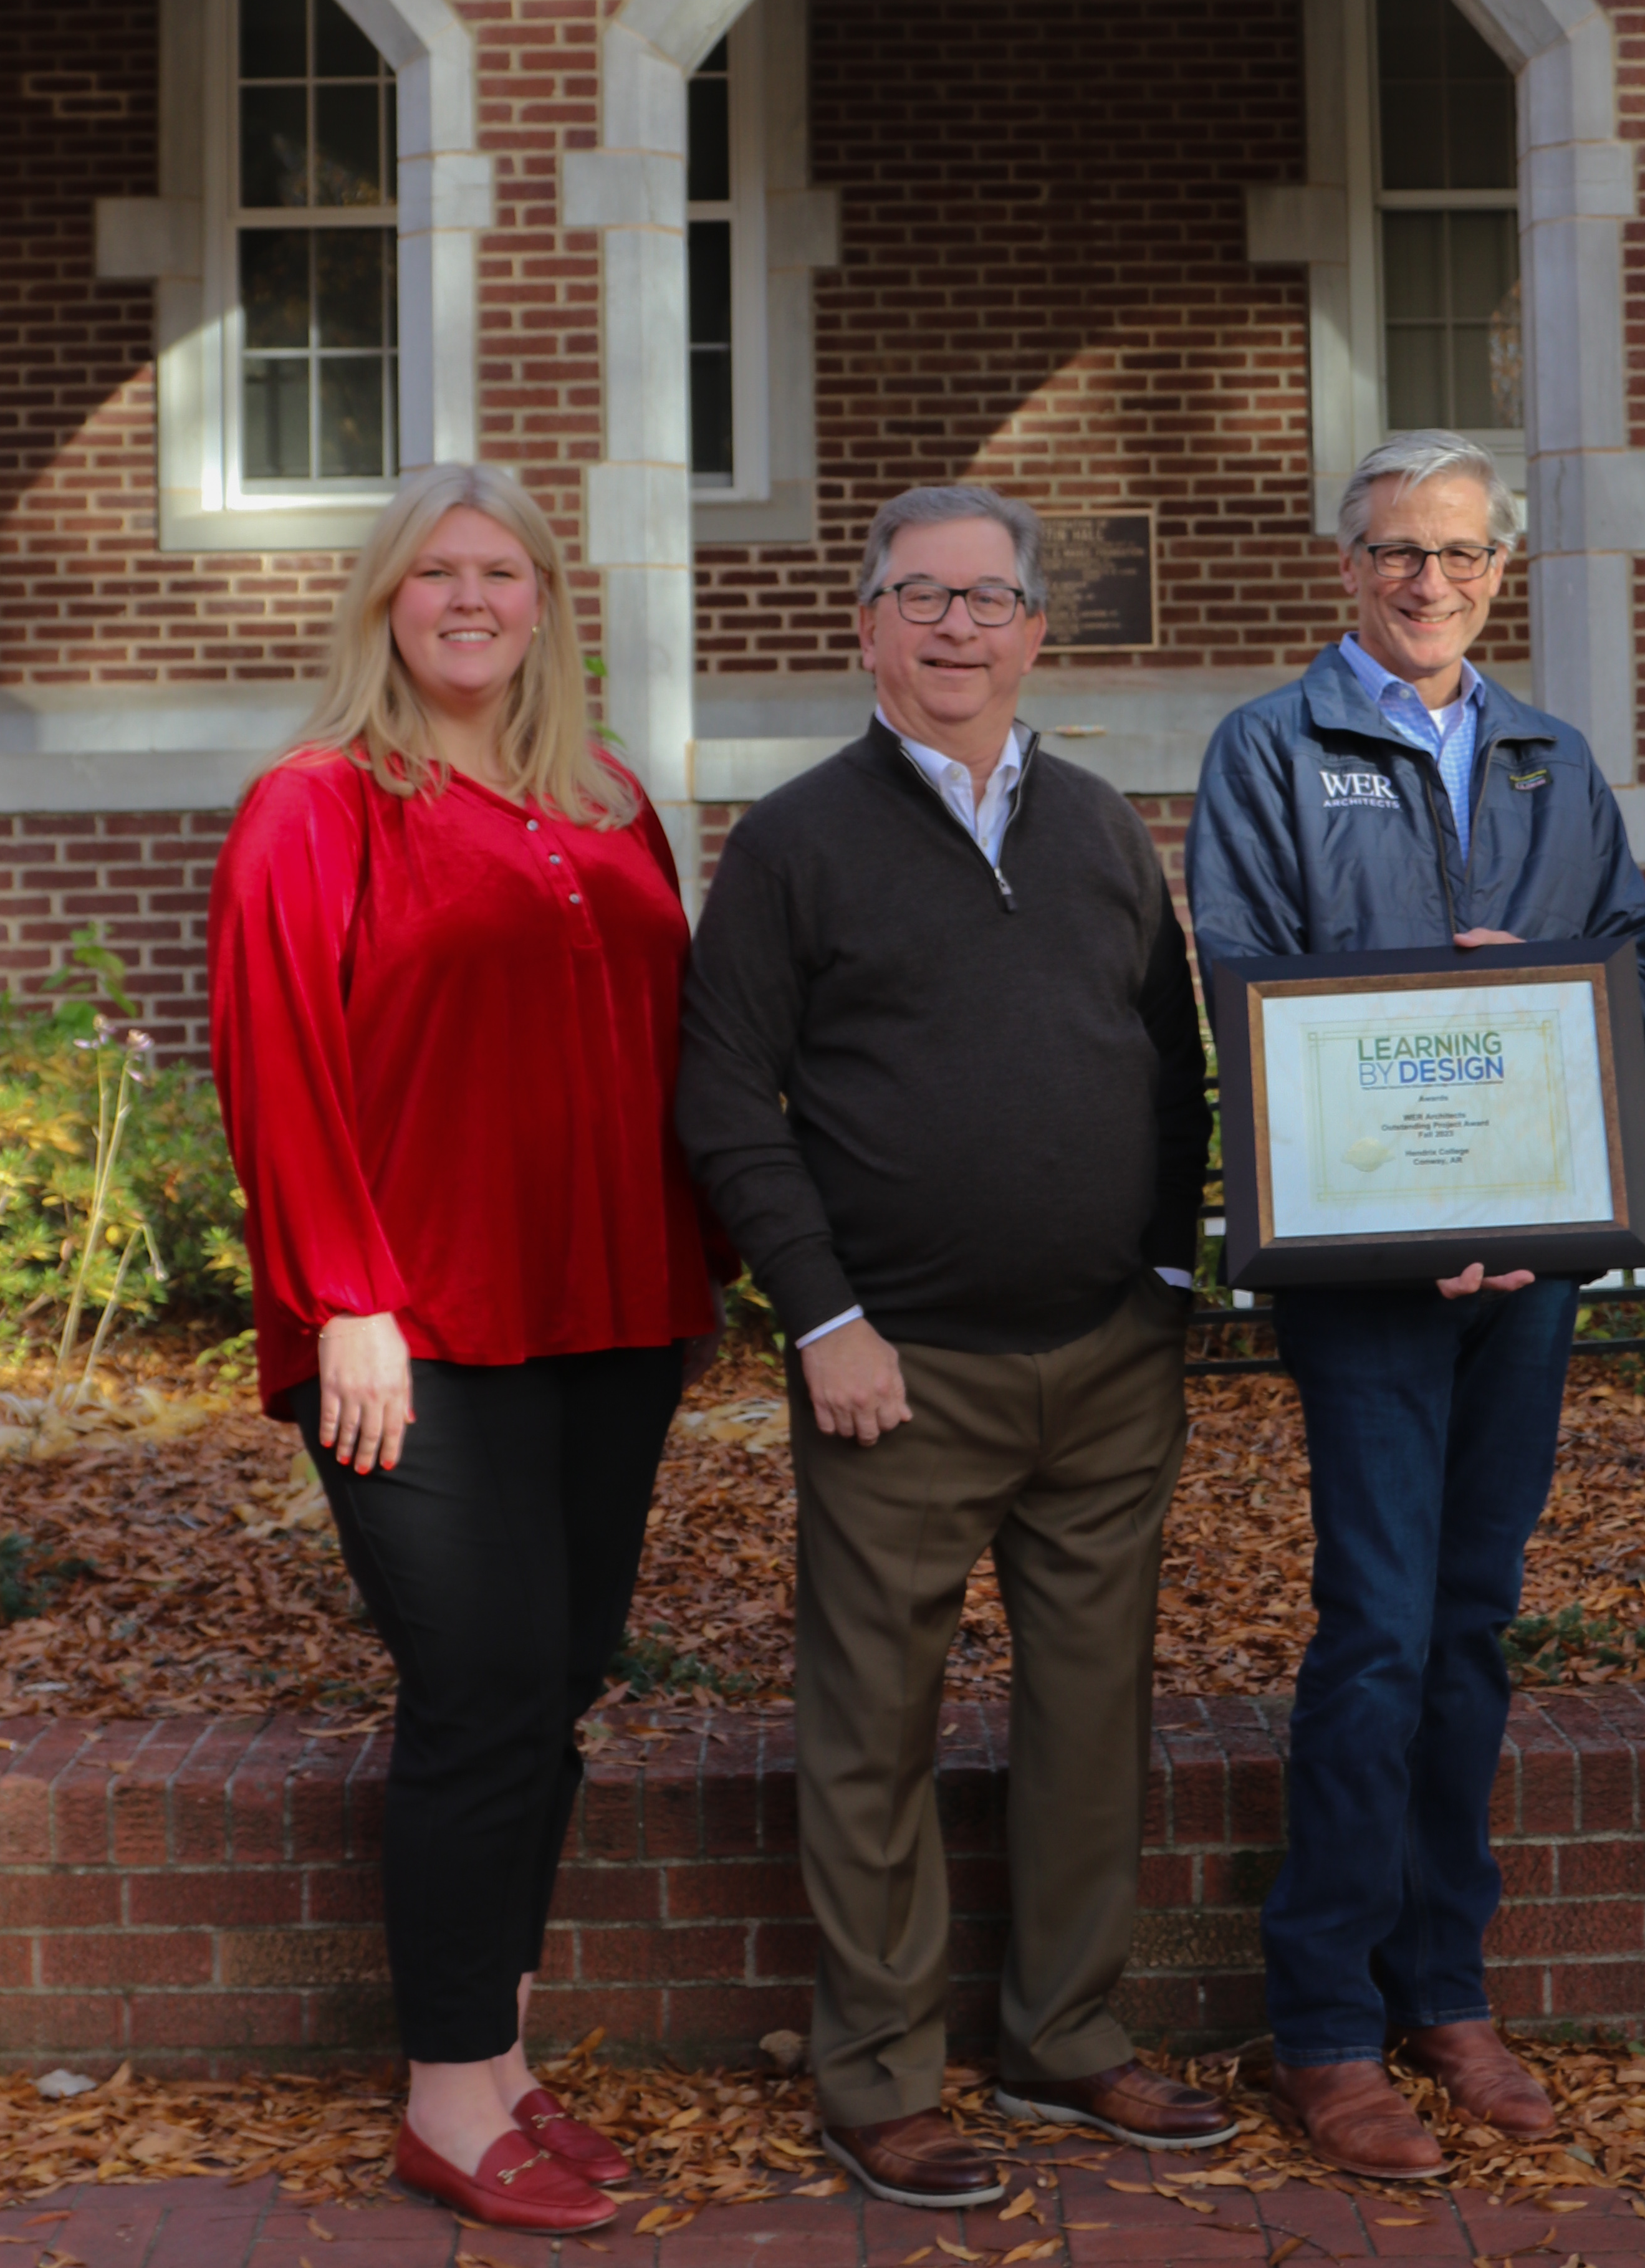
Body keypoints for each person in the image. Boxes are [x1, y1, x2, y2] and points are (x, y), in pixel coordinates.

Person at [676, 484, 1230, 2212]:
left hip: (1104, 1360)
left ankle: (1067, 2037)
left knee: (1091, 1715)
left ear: (1036, 634)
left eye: (989, 600)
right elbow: (720, 1097)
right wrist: (824, 1316)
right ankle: (878, 2079)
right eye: (920, 598)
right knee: (871, 1731)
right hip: (893, 1372)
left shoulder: (1090, 827)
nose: (957, 629)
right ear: (866, 630)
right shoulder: (796, 842)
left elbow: (1173, 1065)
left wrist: (1158, 1271)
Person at [208, 462, 724, 2237]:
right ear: (381, 603)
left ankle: (499, 2060)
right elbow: (278, 1063)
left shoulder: (609, 805)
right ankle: (443, 2098)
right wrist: (345, 1296)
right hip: (414, 1334)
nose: (471, 599)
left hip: (612, 1316)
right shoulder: (318, 803)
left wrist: (708, 1274)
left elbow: (678, 1058)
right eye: (436, 573)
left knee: (557, 1687)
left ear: (546, 607)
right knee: (480, 1688)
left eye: (502, 571)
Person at [1186, 431, 1645, 2184]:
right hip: (1369, 1273)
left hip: (1525, 1267)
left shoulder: (1550, 756)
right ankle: (1323, 2019)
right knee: (1376, 1629)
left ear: (1500, 571)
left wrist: (1576, 1016)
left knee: (1471, 1623)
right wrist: (1417, 1185)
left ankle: (1443, 1984)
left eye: (1460, 555)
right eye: (1396, 551)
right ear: (1346, 565)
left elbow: (1633, 971)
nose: (1427, 581)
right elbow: (1243, 992)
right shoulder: (1270, 749)